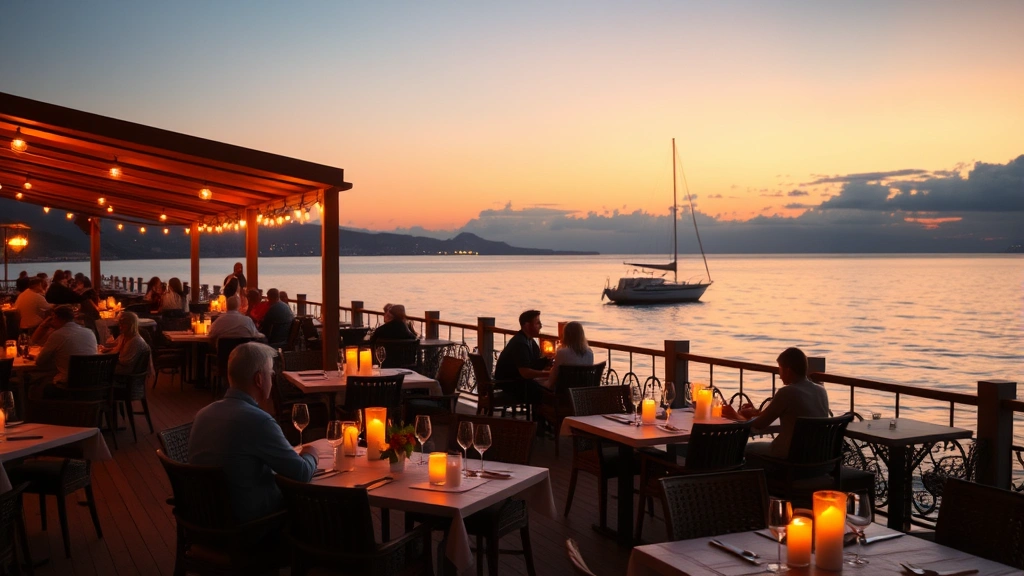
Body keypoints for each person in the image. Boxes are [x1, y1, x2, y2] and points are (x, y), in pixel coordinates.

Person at [189, 342, 319, 527]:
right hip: (251, 526)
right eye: (271, 374)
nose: (272, 380)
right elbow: (302, 473)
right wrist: (311, 452)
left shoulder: (202, 415)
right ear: (259, 379)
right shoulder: (259, 421)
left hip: (205, 519)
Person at [723, 347, 830, 460]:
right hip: (816, 454)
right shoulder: (821, 390)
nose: (779, 375)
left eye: (780, 369)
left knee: (744, 448)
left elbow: (760, 425)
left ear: (788, 371)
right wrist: (755, 413)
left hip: (791, 454)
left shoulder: (788, 392)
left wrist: (735, 416)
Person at [494, 310, 552, 410]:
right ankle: (541, 417)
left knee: (545, 387)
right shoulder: (520, 343)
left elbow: (532, 363)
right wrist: (549, 374)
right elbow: (525, 373)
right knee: (544, 391)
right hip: (509, 383)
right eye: (537, 323)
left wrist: (546, 361)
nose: (541, 326)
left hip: (516, 380)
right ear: (527, 325)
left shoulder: (529, 340)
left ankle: (542, 417)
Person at [31, 305, 99, 388]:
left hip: (69, 384)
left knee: (35, 385)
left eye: (52, 318)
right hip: (92, 383)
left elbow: (40, 362)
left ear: (56, 317)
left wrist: (43, 325)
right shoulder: (89, 332)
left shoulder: (57, 335)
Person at [545, 321, 594, 388]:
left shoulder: (562, 353)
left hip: (564, 391)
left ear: (566, 335)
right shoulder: (590, 353)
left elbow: (552, 378)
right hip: (581, 391)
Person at [102, 311, 152, 376]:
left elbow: (125, 361)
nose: (120, 325)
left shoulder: (135, 341)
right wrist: (109, 350)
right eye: (120, 323)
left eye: (124, 323)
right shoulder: (124, 337)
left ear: (131, 324)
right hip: (121, 367)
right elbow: (117, 348)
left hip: (127, 373)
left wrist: (109, 359)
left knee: (99, 368)